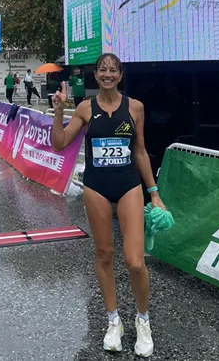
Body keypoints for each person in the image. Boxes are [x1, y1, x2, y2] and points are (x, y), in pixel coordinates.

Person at [51, 53, 165, 357]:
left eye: (113, 70)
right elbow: (59, 143)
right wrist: (58, 113)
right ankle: (114, 321)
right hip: (97, 187)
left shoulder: (135, 107)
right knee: (104, 255)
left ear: (120, 75)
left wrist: (154, 193)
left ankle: (143, 320)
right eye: (102, 70)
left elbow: (140, 152)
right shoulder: (85, 108)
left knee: (135, 261)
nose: (107, 74)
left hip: (128, 185)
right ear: (96, 74)